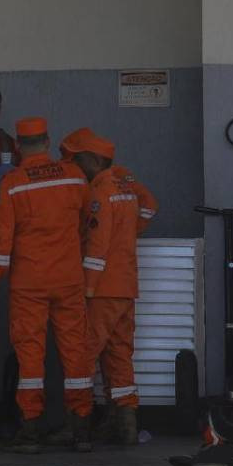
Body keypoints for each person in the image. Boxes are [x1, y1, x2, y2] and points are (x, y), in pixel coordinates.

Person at [0, 117, 95, 454]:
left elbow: (2, 239)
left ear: (18, 146)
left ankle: (29, 430)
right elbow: (84, 225)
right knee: (75, 351)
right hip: (69, 278)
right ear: (48, 142)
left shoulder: (13, 182)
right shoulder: (75, 176)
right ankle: (81, 428)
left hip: (29, 282)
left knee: (30, 354)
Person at [65, 129, 157, 446]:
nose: (73, 166)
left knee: (83, 354)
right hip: (127, 285)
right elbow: (150, 207)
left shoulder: (99, 191)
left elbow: (97, 246)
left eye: (75, 159)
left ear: (91, 159)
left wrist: (88, 288)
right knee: (120, 354)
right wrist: (130, 230)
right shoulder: (125, 184)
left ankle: (79, 426)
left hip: (102, 289)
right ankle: (126, 424)